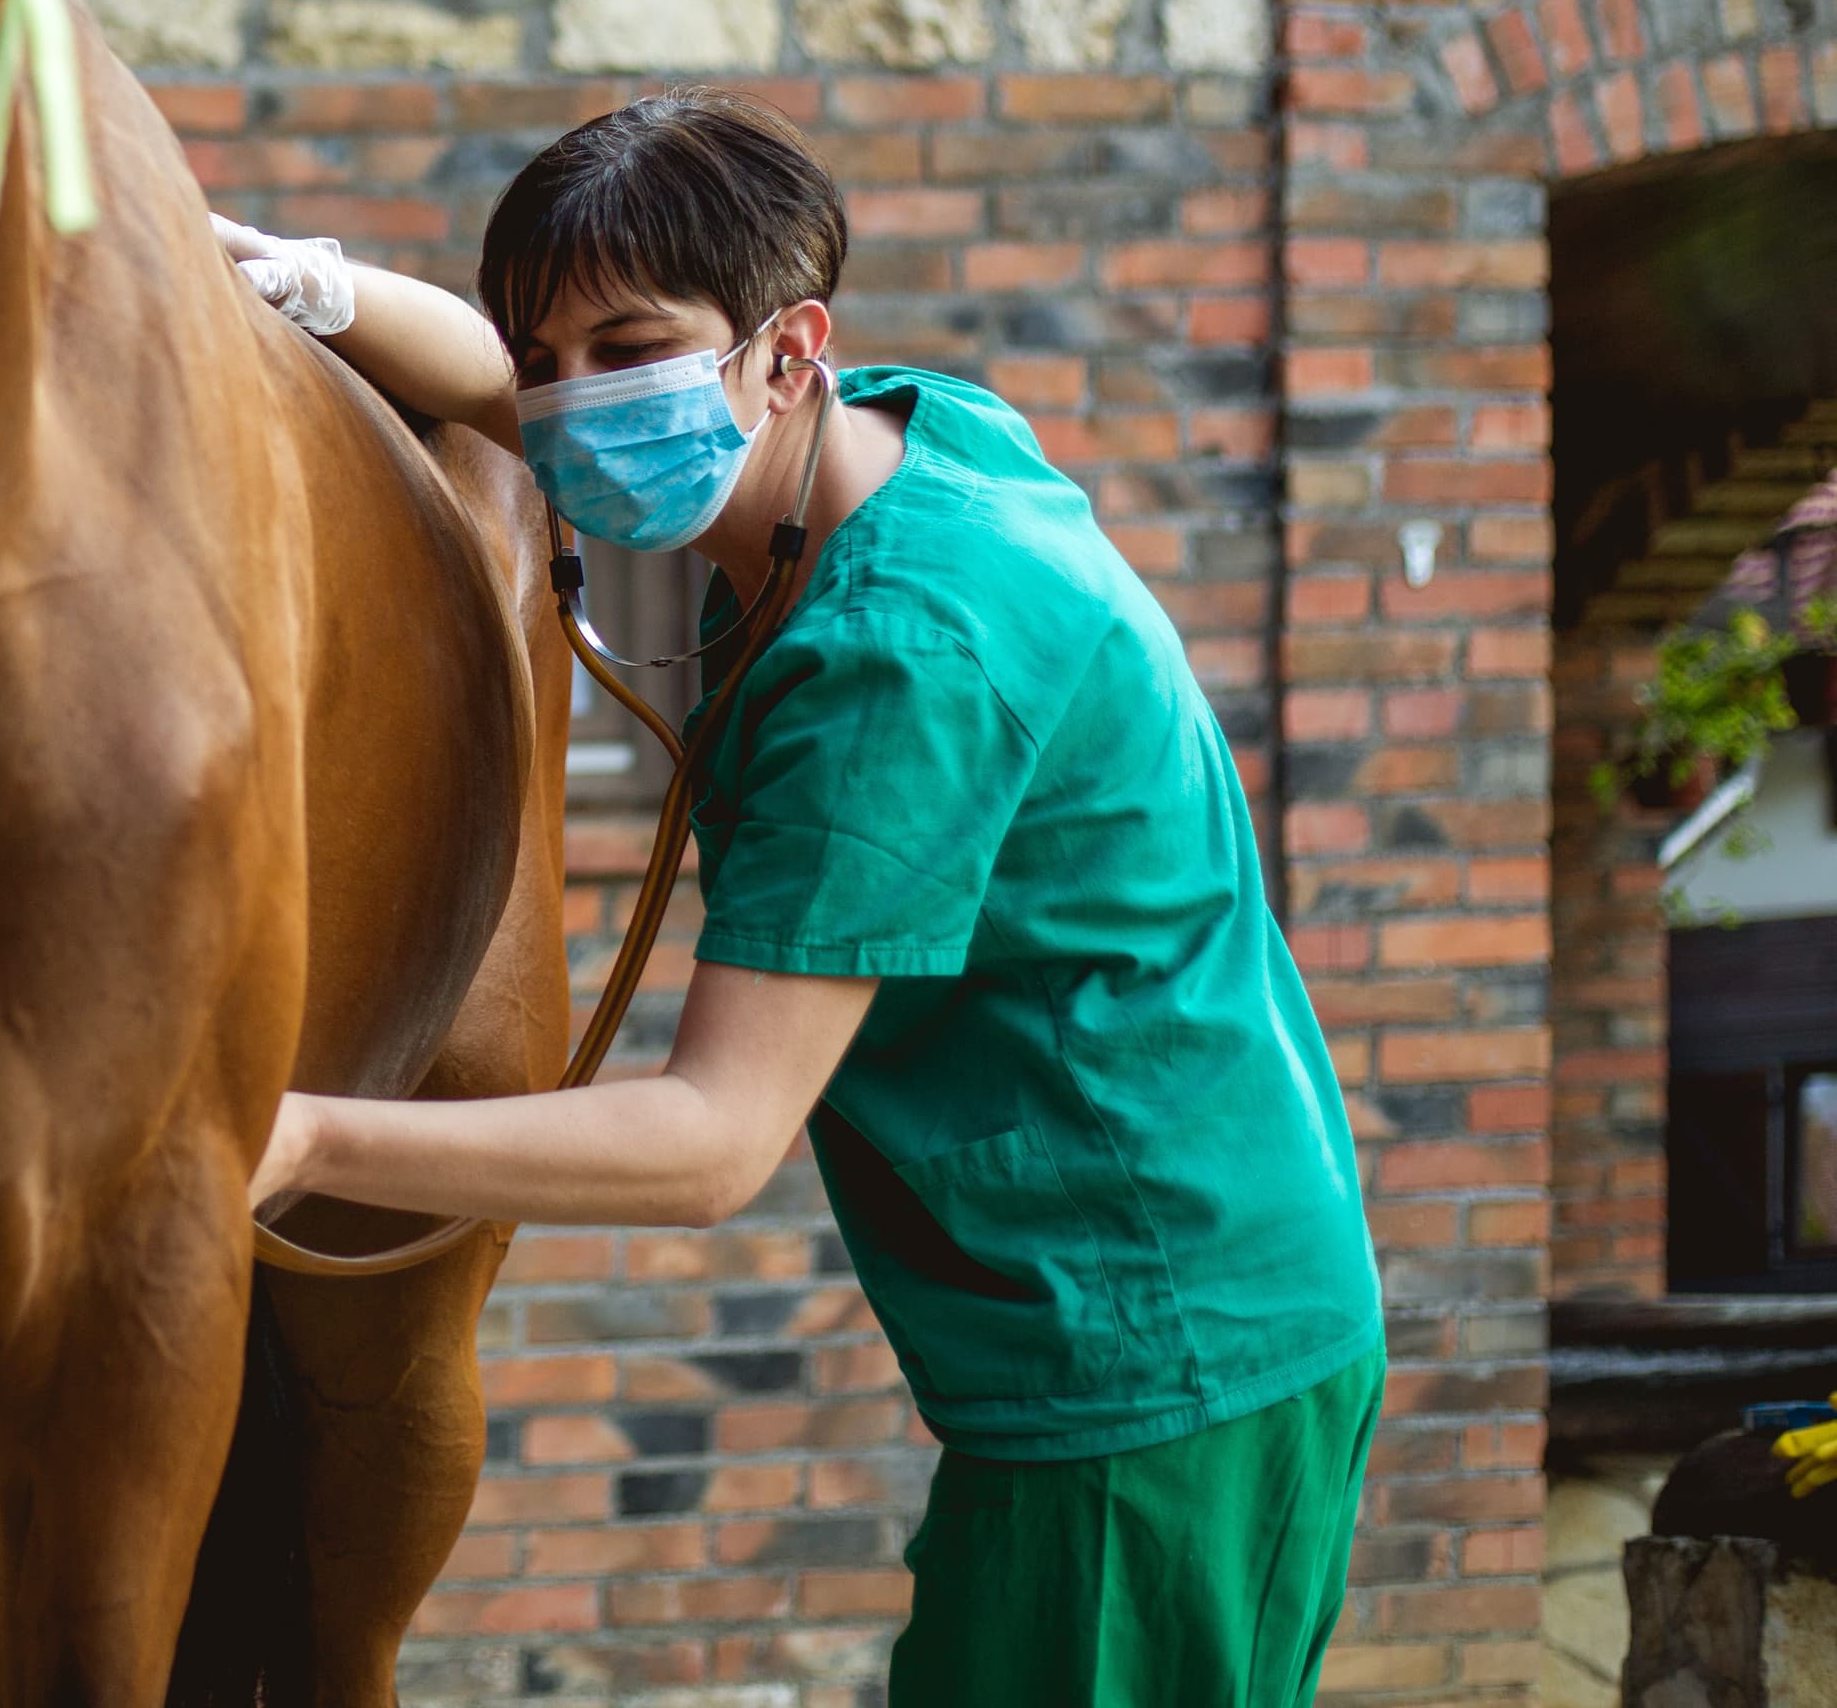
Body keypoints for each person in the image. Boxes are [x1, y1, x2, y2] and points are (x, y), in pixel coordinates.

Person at [219, 89, 1387, 1708]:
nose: (573, 411)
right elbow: (531, 384)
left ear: (788, 349)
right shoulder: (916, 443)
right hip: (1223, 1306)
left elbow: (709, 1142)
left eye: (628, 350)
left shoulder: (898, 665)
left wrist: (300, 1135)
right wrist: (297, 288)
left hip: (1146, 1361)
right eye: (547, 361)